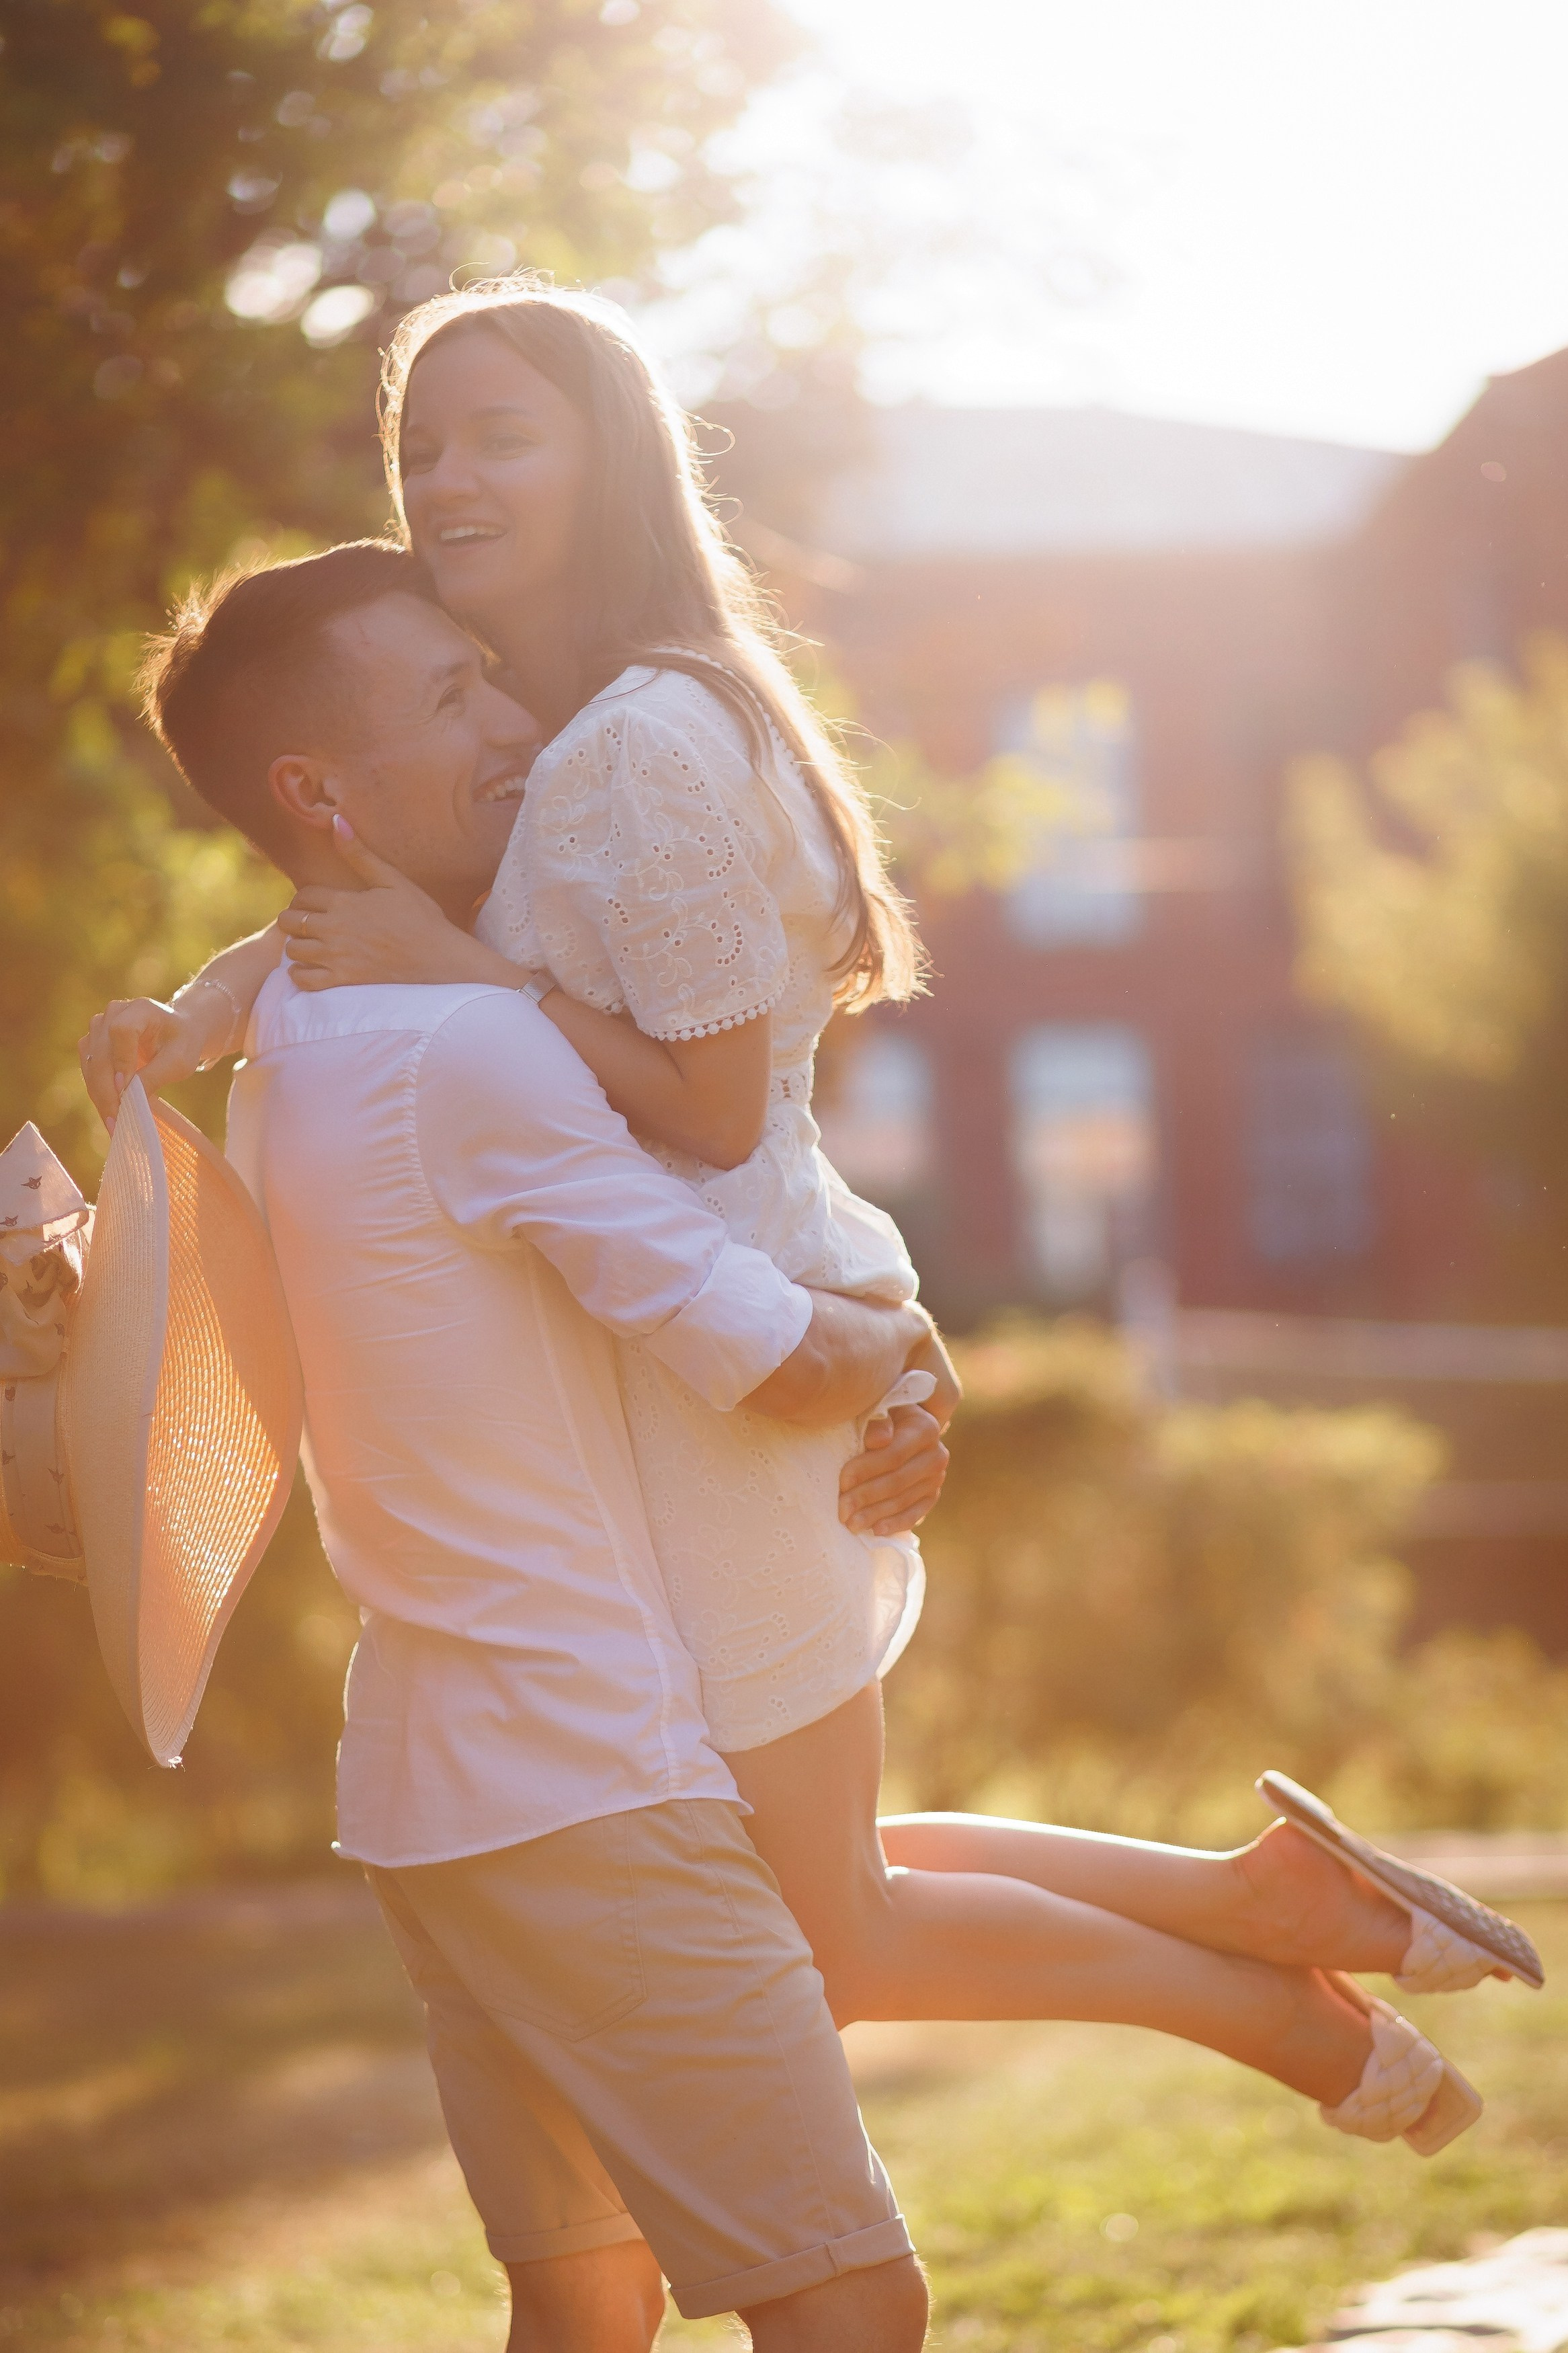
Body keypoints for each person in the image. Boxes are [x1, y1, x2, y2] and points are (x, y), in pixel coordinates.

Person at [87, 536, 1496, 2198]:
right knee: (808, 1884)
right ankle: (1260, 1907)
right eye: (454, 685)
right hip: (734, 1377)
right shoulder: (453, 880)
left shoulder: (610, 772)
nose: (505, 714)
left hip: (756, 1380)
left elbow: (706, 1107)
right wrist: (182, 1019)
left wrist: (888, 1339)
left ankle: (1292, 2016)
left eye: (483, 666)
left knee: (837, 1932)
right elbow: (306, 932)